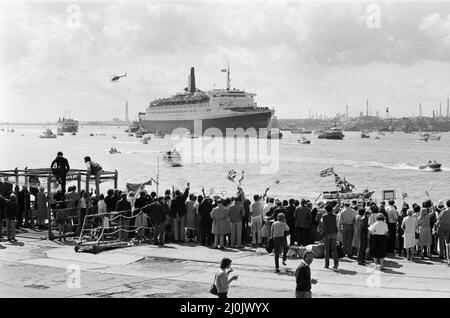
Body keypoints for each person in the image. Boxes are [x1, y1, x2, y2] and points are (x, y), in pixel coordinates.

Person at [321, 204, 339, 269]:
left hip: (327, 233)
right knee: (334, 249)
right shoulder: (335, 216)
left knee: (327, 249)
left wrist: (323, 233)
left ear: (326, 210)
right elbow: (336, 224)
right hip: (334, 233)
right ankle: (336, 264)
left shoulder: (324, 216)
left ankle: (327, 264)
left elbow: (324, 227)